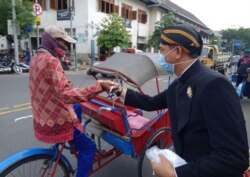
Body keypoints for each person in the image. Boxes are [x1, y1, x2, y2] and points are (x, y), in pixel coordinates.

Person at [105, 24, 249, 177]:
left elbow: (234, 158)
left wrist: (175, 174)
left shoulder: (214, 85)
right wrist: (118, 90)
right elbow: (151, 102)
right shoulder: (179, 84)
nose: (160, 57)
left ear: (178, 52)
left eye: (162, 50)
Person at [29, 25, 113, 177]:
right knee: (89, 147)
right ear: (52, 41)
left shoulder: (36, 58)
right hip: (57, 120)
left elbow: (51, 86)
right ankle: (78, 140)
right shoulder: (51, 61)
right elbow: (67, 95)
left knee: (78, 107)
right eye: (62, 43)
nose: (65, 47)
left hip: (42, 117)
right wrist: (99, 87)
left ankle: (76, 138)